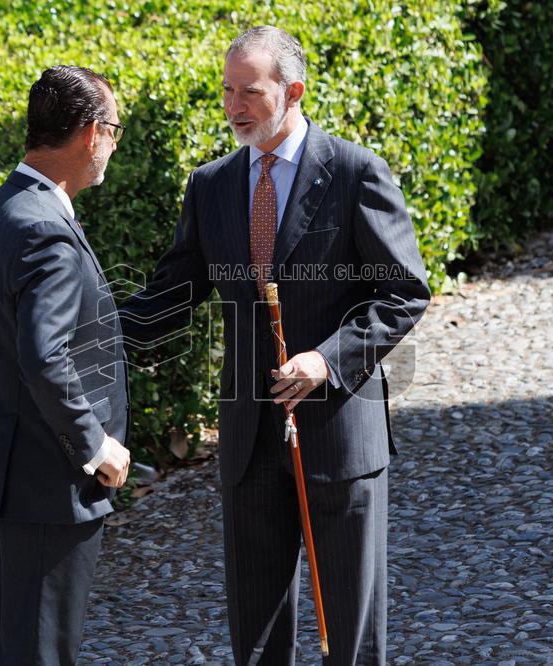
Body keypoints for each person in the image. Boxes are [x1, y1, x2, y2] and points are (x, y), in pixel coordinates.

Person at [119, 26, 430, 665]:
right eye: (227, 90)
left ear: (293, 91)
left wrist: (326, 359)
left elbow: (404, 293)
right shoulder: (210, 185)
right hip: (248, 439)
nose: (234, 105)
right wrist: (82, 323)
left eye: (249, 92)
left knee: (352, 634)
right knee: (255, 636)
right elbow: (171, 295)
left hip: (340, 433)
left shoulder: (354, 173)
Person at [0, 65, 131, 666]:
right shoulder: (43, 229)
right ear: (89, 134)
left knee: (25, 646)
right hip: (46, 480)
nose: (113, 146)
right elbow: (44, 357)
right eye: (114, 130)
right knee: (42, 652)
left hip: (13, 473)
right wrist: (95, 446)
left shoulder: (0, 209)